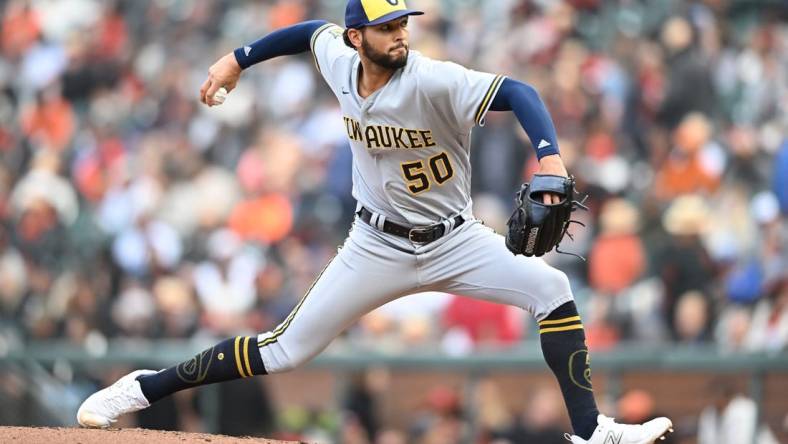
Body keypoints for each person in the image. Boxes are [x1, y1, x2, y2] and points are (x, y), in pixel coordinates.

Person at [77, 1, 672, 442]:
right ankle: (142, 387)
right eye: (388, 27)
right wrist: (238, 58)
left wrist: (550, 157)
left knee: (553, 287)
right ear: (357, 37)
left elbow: (518, 91)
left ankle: (591, 432)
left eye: (403, 23)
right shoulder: (341, 59)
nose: (400, 35)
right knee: (284, 351)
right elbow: (310, 32)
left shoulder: (433, 79)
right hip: (375, 245)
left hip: (455, 238)